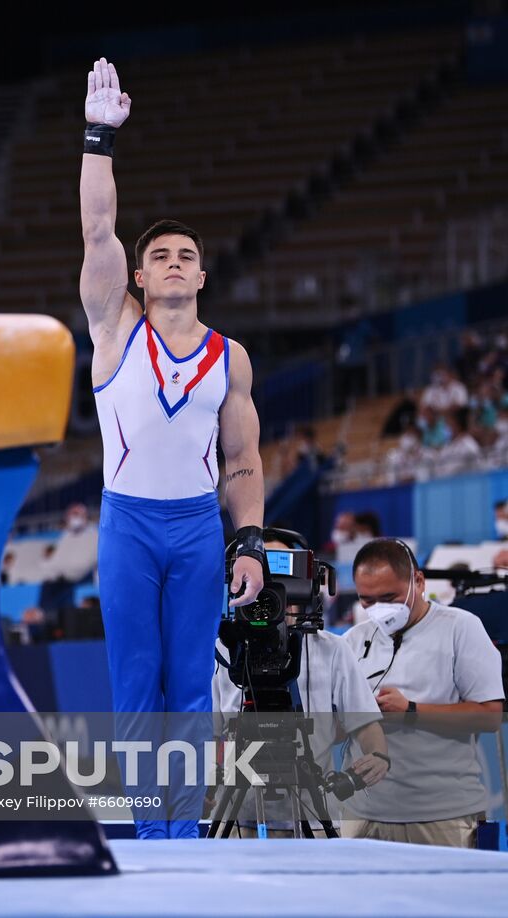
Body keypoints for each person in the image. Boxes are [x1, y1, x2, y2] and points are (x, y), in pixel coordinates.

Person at [80, 58, 266, 839]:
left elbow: (244, 462)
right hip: (127, 524)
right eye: (160, 255)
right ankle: (145, 833)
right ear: (141, 274)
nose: (174, 263)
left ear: (203, 272)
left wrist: (249, 541)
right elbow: (97, 228)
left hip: (197, 528)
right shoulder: (113, 326)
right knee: (136, 686)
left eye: (187, 255)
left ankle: (182, 833)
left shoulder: (232, 356)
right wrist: (99, 138)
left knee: (191, 686)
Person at [212, 537, 390, 838]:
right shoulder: (224, 650)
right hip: (238, 819)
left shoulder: (333, 650)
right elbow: (210, 734)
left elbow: (367, 728)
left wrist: (378, 756)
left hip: (314, 817)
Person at [340, 539, 504, 847]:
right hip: (361, 816)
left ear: (418, 581)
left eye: (389, 597)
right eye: (367, 600)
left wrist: (412, 711)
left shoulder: (462, 628)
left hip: (442, 817)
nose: (378, 610)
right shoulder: (352, 640)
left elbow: (490, 716)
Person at [37, 503, 99, 613]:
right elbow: (52, 562)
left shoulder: (93, 535)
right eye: (70, 515)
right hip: (61, 577)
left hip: (80, 577)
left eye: (76, 514)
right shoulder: (66, 536)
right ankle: (45, 621)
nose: (73, 518)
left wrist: (61, 570)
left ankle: (60, 621)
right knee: (48, 585)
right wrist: (56, 572)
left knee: (60, 592)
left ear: (85, 516)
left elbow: (83, 565)